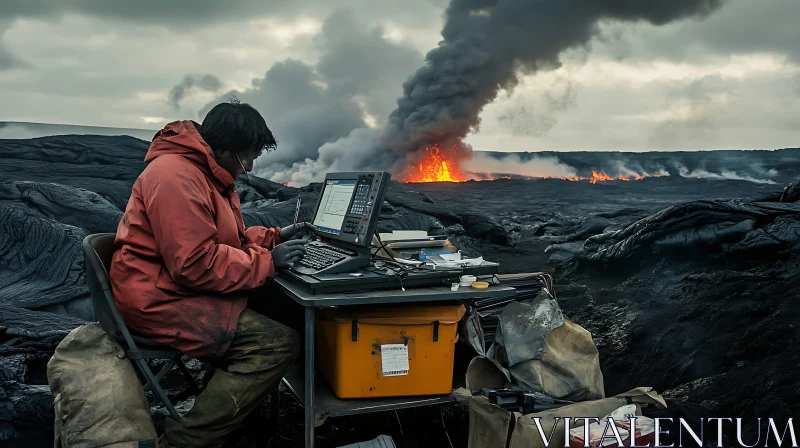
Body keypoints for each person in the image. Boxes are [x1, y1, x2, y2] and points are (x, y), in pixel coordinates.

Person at [109, 100, 311, 447]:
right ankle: (183, 441)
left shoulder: (202, 171)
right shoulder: (176, 178)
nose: (248, 167)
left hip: (168, 285)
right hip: (157, 298)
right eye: (246, 158)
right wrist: (268, 262)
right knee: (276, 344)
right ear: (221, 150)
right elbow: (195, 263)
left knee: (280, 307)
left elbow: (220, 239)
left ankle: (227, 403)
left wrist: (273, 237)